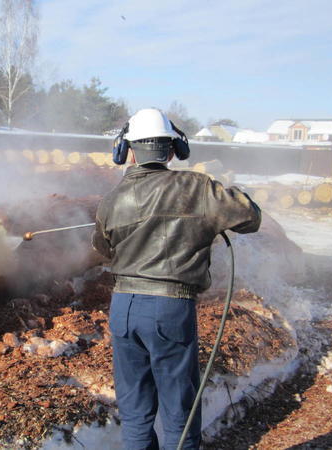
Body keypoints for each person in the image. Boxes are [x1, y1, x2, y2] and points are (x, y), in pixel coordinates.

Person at [92, 108, 261, 450]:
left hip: (123, 308)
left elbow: (104, 249)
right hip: (170, 308)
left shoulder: (112, 200)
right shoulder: (197, 189)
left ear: (128, 151)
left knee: (136, 410)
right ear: (172, 150)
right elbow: (250, 217)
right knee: (179, 411)